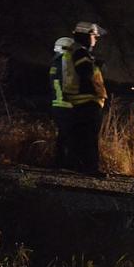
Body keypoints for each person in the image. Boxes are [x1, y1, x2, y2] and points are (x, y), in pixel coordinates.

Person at [55, 22, 108, 175]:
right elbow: (86, 74)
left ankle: (76, 166)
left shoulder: (78, 52)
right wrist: (97, 66)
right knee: (90, 137)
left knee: (81, 136)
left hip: (80, 102)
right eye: (94, 35)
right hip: (89, 102)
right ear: (86, 36)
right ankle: (90, 168)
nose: (96, 39)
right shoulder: (82, 54)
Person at [49, 37, 76, 169]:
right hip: (65, 103)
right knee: (67, 136)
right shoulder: (65, 58)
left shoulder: (55, 61)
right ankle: (64, 164)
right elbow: (68, 81)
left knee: (62, 135)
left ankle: (59, 162)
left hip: (56, 103)